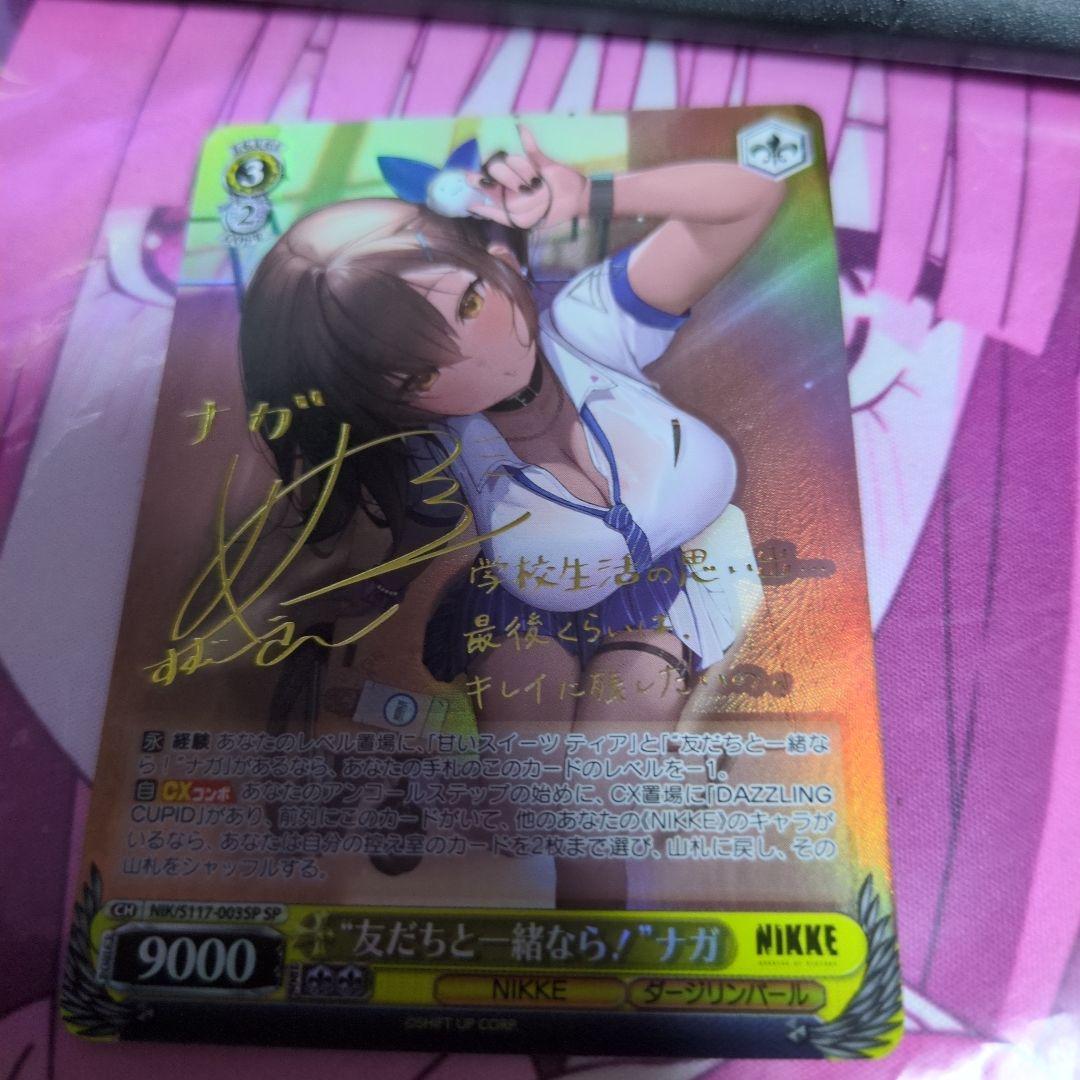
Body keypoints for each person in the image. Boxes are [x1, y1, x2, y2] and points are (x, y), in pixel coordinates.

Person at [240, 125, 784, 905]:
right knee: (536, 805)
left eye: (470, 302)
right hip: (519, 613)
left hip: (666, 595)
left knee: (594, 817)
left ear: (497, 258)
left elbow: (750, 198)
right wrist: (352, 601)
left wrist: (594, 194)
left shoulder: (593, 326)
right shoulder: (435, 446)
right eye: (420, 371)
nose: (481, 353)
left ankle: (588, 949)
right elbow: (404, 538)